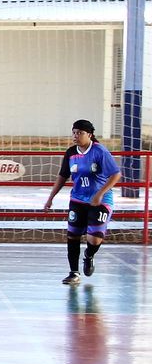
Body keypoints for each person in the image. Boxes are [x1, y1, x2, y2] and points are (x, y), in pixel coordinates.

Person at [43, 119, 121, 285]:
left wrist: (100, 194)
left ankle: (89, 255)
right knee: (73, 235)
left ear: (89, 135)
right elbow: (62, 176)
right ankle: (73, 272)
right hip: (78, 199)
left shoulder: (99, 151)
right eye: (74, 132)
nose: (76, 136)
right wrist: (51, 198)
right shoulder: (71, 153)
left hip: (99, 200)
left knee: (94, 239)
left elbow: (116, 175)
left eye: (80, 133)